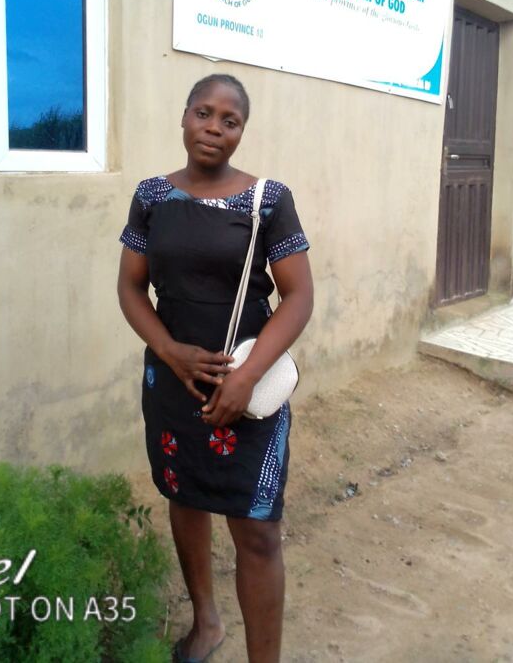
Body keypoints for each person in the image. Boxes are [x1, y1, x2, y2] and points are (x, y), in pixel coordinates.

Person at [117, 73, 314, 663]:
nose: (214, 128)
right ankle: (206, 624)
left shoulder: (268, 201)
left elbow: (299, 296)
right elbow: (130, 288)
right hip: (173, 386)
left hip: (246, 387)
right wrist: (169, 350)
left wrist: (246, 378)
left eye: (230, 120)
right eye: (203, 113)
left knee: (257, 530)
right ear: (183, 117)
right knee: (184, 498)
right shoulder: (152, 197)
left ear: (241, 132)